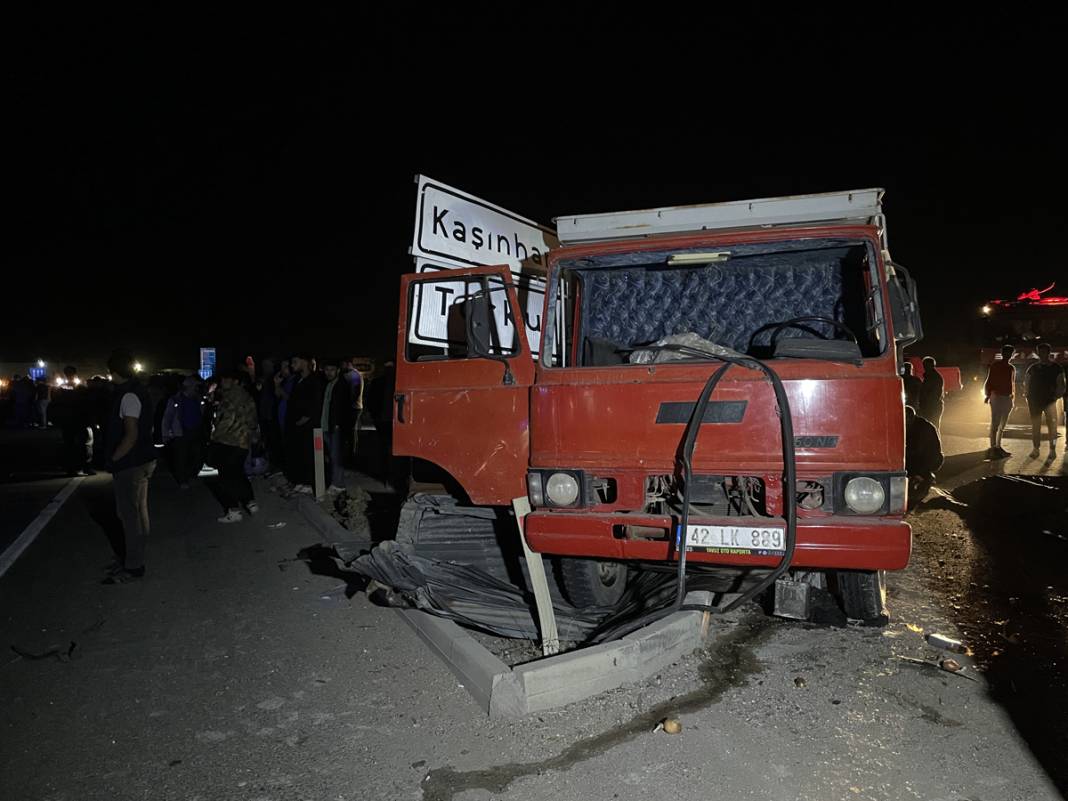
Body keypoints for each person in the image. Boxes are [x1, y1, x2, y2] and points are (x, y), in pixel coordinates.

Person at [102, 349, 157, 584]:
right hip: (144, 459)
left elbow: (131, 434)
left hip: (131, 463)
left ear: (114, 373)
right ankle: (134, 556)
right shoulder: (140, 391)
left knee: (128, 515)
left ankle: (134, 565)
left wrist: (114, 458)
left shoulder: (128, 396)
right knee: (139, 511)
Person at [210, 370, 260, 522]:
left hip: (228, 441)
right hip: (243, 442)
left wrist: (214, 436)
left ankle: (233, 509)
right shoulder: (247, 396)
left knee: (221, 476)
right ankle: (250, 501)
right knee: (237, 472)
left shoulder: (229, 397)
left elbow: (225, 420)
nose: (223, 381)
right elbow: (253, 420)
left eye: (226, 379)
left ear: (235, 381)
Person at [284, 353, 322, 493]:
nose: (292, 365)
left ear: (305, 362)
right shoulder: (298, 380)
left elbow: (315, 402)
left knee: (308, 453)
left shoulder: (314, 380)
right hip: (297, 423)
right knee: (299, 453)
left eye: (295, 361)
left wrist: (306, 417)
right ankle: (300, 480)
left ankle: (309, 483)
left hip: (308, 424)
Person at [161, 375, 204, 488]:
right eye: (195, 387)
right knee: (181, 457)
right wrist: (166, 434)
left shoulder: (198, 399)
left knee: (197, 456)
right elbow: (167, 418)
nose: (197, 389)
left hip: (196, 431)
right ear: (189, 387)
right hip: (181, 432)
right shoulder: (175, 400)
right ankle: (182, 480)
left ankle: (190, 475)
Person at [1025, 342, 1066, 459]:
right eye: (1039, 352)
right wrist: (1027, 396)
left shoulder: (1057, 368)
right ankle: (1035, 449)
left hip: (1050, 401)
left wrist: (1056, 397)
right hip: (1034, 401)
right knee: (1035, 425)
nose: (1041, 354)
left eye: (1043, 352)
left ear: (1048, 352)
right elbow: (1027, 382)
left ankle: (1052, 450)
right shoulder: (1032, 368)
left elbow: (1061, 384)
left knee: (1052, 426)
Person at [321, 359, 353, 493]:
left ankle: (338, 484)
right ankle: (336, 481)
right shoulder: (328, 384)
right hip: (326, 425)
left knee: (336, 455)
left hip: (335, 426)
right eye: (327, 370)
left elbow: (343, 407)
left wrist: (339, 424)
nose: (329, 373)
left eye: (332, 370)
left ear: (337, 370)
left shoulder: (341, 385)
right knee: (332, 455)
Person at [905, 406, 943, 505]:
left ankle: (925, 479)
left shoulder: (924, 429)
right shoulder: (895, 426)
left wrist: (919, 473)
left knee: (915, 494)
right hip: (909, 459)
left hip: (924, 460)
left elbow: (931, 454)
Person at [983, 344, 1016, 458]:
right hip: (997, 396)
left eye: (1010, 354)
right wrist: (988, 394)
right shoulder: (995, 366)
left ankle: (998, 446)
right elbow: (990, 380)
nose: (1008, 355)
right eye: (1006, 353)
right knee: (995, 423)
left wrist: (1013, 398)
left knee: (1002, 424)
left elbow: (1012, 383)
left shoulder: (1011, 368)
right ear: (1003, 354)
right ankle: (993, 447)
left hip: (1007, 397)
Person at [918, 356, 945, 431]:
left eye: (926, 365)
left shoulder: (933, 377)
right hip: (931, 406)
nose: (924, 367)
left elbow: (934, 395)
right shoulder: (931, 377)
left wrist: (925, 405)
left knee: (933, 427)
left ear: (931, 365)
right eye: (924, 365)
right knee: (932, 427)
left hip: (932, 406)